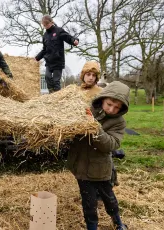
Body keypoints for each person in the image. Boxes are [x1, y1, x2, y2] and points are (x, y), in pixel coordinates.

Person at [67, 81, 130, 230]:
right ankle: (92, 227)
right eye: (109, 104)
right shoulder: (87, 109)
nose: (112, 109)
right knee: (88, 203)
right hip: (81, 166)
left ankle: (118, 223)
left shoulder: (118, 122)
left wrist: (94, 127)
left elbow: (111, 144)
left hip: (100, 169)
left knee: (109, 199)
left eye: (117, 108)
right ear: (103, 98)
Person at [35, 15, 79, 93]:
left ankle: (57, 95)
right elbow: (44, 49)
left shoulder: (58, 31)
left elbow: (68, 37)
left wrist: (74, 40)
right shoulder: (45, 36)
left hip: (58, 61)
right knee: (47, 77)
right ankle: (52, 94)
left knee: (56, 81)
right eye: (44, 25)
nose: (46, 27)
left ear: (51, 22)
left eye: (47, 24)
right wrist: (37, 58)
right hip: (49, 61)